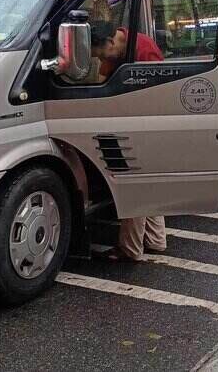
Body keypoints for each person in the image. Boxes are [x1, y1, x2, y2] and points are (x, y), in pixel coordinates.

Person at [89, 20, 169, 260]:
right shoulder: (113, 50)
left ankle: (130, 249)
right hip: (129, 118)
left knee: (134, 185)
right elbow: (100, 82)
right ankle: (156, 240)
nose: (102, 59)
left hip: (147, 122)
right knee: (148, 185)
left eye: (101, 54)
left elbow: (158, 91)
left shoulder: (144, 48)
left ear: (111, 42)